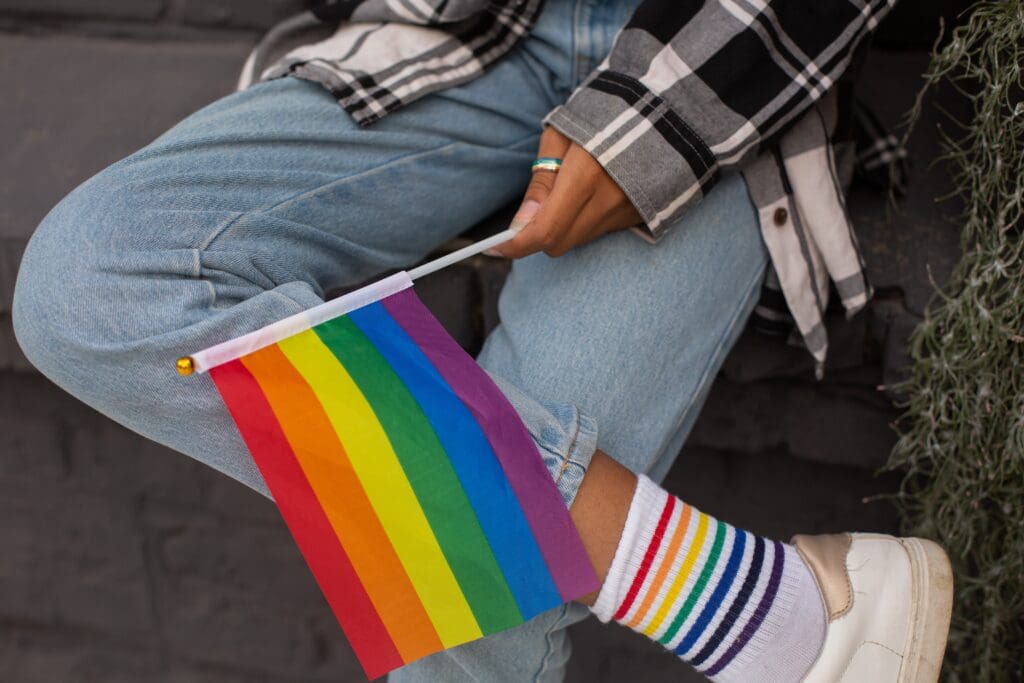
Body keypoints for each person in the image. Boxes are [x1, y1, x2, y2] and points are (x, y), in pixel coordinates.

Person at [12, 0, 952, 680]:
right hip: (454, 37)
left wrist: (651, 134)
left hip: (716, 62)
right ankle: (763, 610)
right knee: (86, 283)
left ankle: (795, 624)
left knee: (474, 600)